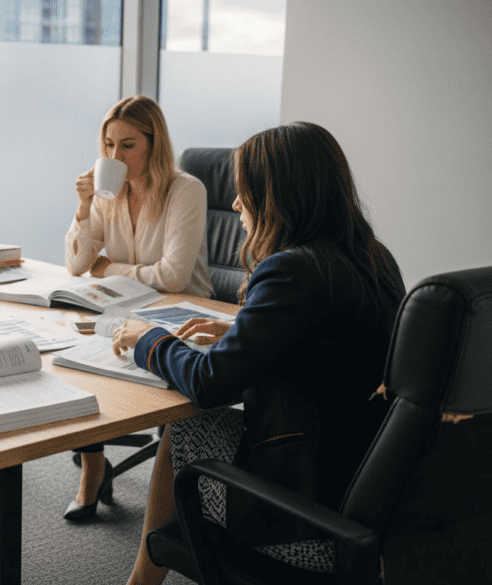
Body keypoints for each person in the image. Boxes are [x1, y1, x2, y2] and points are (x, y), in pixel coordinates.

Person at [111, 122, 406, 584]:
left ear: (275, 196)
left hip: (307, 516)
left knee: (188, 421)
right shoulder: (372, 256)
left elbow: (211, 384)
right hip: (368, 495)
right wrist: (237, 327)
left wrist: (147, 339)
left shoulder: (290, 270)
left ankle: (142, 580)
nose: (234, 205)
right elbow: (334, 343)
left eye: (243, 192)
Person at [63, 95, 213, 520]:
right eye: (108, 145)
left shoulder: (186, 190)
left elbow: (173, 277)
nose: (115, 155)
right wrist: (84, 206)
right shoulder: (108, 193)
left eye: (127, 145)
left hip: (182, 315)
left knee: (100, 355)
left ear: (153, 142)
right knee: (71, 359)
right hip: (126, 311)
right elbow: (77, 265)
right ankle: (93, 466)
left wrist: (111, 268)